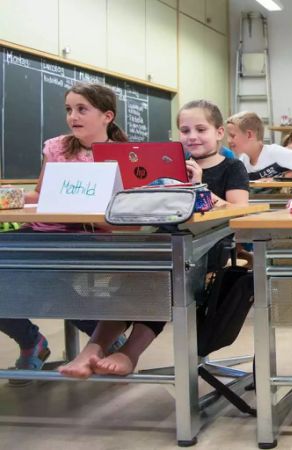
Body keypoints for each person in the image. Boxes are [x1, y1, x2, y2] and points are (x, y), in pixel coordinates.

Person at [58, 99, 250, 379]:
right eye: (185, 130)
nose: (192, 136)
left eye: (201, 129)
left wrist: (199, 187)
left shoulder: (232, 168)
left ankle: (130, 353)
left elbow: (239, 210)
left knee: (161, 279)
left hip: (209, 247)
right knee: (129, 279)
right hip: (163, 243)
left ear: (219, 132)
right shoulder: (170, 165)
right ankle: (93, 349)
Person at [0, 83, 128, 384]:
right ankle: (32, 340)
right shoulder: (57, 146)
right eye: (69, 109)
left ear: (106, 116)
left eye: (82, 109)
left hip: (90, 237)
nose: (73, 116)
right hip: (41, 232)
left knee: (53, 282)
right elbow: (41, 194)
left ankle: (102, 335)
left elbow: (124, 208)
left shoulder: (124, 154)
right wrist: (11, 197)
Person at [226, 111, 292, 180]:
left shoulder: (274, 151)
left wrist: (280, 179)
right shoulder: (243, 160)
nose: (228, 140)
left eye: (232, 136)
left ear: (249, 135)